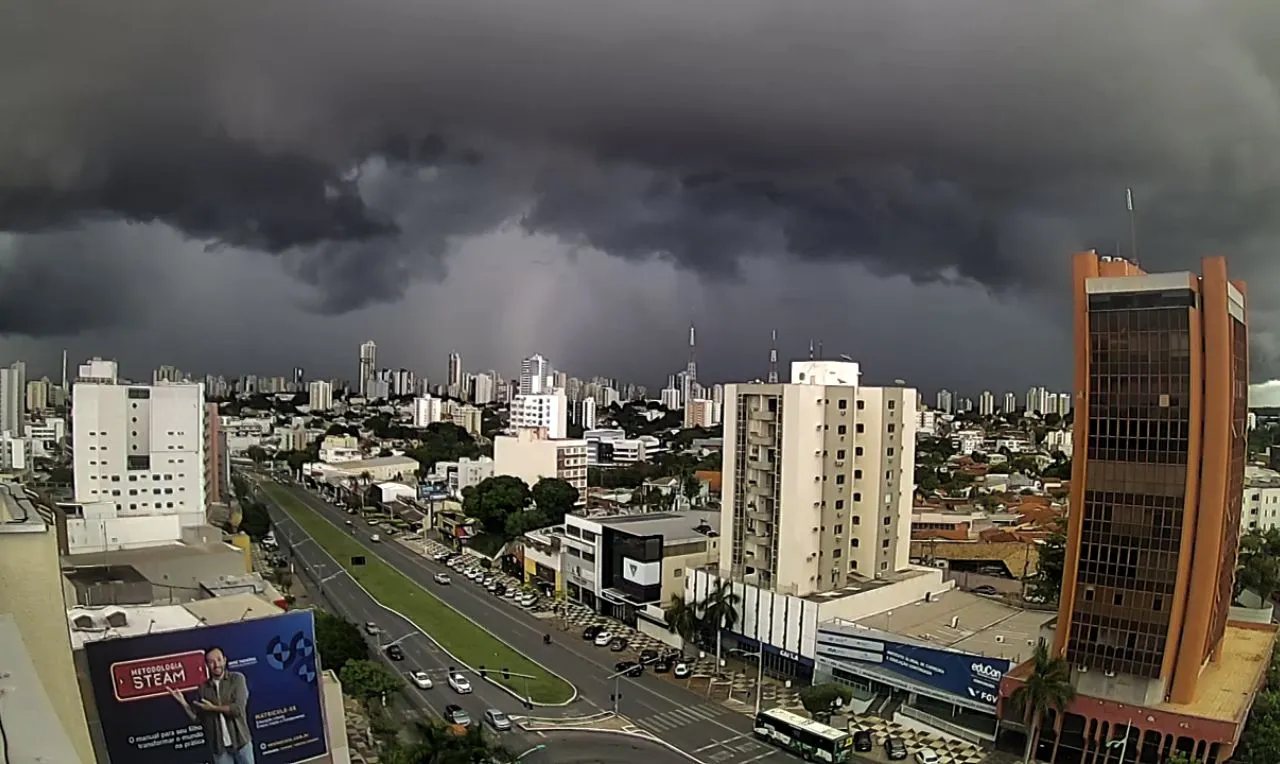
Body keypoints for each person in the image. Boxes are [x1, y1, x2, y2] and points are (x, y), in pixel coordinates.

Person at [168, 646, 254, 764]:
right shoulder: (203, 688)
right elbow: (198, 719)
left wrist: (212, 708)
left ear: (224, 660)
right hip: (219, 749)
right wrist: (183, 703)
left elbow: (237, 709)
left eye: (219, 660)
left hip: (241, 743)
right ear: (207, 665)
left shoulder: (237, 679)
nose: (216, 664)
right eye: (211, 662)